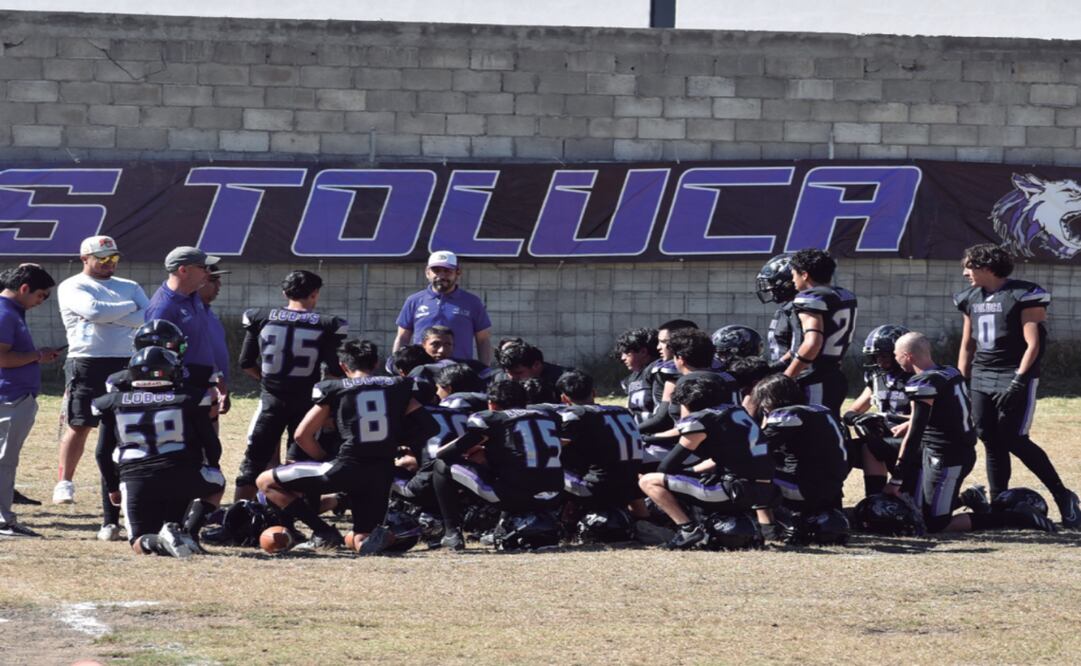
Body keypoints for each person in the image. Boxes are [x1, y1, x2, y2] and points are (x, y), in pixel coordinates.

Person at [256, 339, 437, 554]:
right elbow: (429, 427)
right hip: (381, 473)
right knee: (361, 539)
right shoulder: (399, 386)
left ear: (343, 366)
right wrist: (394, 441)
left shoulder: (335, 388)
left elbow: (302, 435)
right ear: (376, 363)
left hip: (347, 466)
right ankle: (392, 536)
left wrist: (324, 458)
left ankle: (322, 531)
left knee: (265, 481)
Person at [954, 243, 1080, 528]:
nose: (965, 273)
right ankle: (999, 503)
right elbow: (967, 343)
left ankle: (1063, 496)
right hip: (981, 375)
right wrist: (962, 381)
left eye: (969, 266)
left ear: (987, 267)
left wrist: (1019, 381)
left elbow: (1034, 344)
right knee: (989, 437)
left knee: (1014, 438)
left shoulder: (1023, 294)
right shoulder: (969, 297)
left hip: (1012, 373)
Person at [885, 332, 1056, 534]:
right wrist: (907, 423)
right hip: (953, 450)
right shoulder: (949, 372)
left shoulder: (922, 383)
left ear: (907, 356)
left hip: (946, 457)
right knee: (922, 512)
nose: (895, 360)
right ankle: (969, 498)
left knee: (935, 524)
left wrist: (896, 477)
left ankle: (1017, 517)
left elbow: (915, 433)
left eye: (896, 355)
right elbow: (944, 413)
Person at [92, 346, 226, 557]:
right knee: (217, 482)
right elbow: (210, 443)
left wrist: (112, 486)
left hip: (136, 479)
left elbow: (102, 452)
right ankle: (187, 533)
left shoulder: (112, 403)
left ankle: (159, 542)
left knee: (138, 542)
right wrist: (209, 467)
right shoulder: (188, 398)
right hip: (181, 475)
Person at [235, 270, 347, 501]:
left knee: (253, 462)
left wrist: (268, 382)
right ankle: (295, 516)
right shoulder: (326, 324)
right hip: (306, 400)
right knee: (300, 464)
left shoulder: (260, 316)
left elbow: (245, 363)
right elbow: (335, 370)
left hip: (272, 400)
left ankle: (235, 517)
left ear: (284, 292)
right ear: (315, 294)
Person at [53, 235, 149, 505]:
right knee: (80, 423)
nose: (110, 263)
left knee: (125, 425)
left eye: (114, 258)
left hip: (125, 361)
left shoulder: (129, 285)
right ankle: (64, 481)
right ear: (85, 259)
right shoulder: (73, 285)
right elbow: (93, 312)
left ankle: (123, 482)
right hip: (87, 359)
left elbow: (148, 315)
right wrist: (129, 310)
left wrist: (114, 315)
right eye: (103, 258)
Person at [638, 375, 775, 549]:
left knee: (649, 480)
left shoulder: (700, 419)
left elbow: (667, 466)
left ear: (687, 403)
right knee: (697, 472)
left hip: (734, 491)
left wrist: (687, 474)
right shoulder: (736, 412)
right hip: (764, 492)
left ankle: (688, 529)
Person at [431, 380, 564, 551]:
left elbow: (445, 454)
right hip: (554, 496)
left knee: (441, 466)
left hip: (514, 497)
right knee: (516, 468)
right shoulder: (548, 415)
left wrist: (477, 447)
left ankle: (451, 533)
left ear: (491, 404)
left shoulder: (492, 419)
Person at [0, 265, 61, 538]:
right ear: (24, 289)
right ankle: (3, 520)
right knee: (4, 461)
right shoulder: (4, 313)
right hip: (10, 397)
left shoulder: (12, 312)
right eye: (41, 296)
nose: (41, 302)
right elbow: (1, 358)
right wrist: (36, 355)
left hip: (12, 396)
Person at [751, 374, 848, 536]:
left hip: (805, 489)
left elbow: (755, 450)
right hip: (833, 488)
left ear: (770, 399)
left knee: (750, 472)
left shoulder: (787, 415)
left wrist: (765, 421)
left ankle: (767, 527)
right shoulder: (821, 410)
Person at [783, 248, 858, 418]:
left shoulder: (809, 298)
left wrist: (787, 378)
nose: (792, 279)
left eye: (794, 274)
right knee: (830, 428)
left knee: (814, 434)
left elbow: (813, 343)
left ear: (804, 274)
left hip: (813, 378)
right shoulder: (844, 295)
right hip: (834, 375)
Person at [842, 324, 913, 497]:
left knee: (918, 505)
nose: (880, 360)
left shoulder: (915, 378)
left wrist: (886, 418)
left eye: (885, 355)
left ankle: (967, 498)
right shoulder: (876, 378)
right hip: (883, 441)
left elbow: (920, 418)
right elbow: (853, 410)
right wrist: (858, 419)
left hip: (910, 442)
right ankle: (874, 497)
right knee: (845, 449)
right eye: (877, 355)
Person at [393, 250, 492, 365]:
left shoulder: (472, 302)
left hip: (459, 372)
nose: (441, 276)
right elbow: (402, 337)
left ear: (458, 272)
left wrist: (485, 370)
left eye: (447, 271)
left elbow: (483, 340)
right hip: (421, 370)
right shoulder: (414, 301)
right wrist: (396, 365)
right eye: (436, 271)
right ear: (427, 273)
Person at [144, 246, 222, 389]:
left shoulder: (194, 296)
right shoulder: (162, 307)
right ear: (183, 270)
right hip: (182, 385)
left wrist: (217, 374)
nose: (208, 272)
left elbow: (202, 340)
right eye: (204, 268)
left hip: (203, 379)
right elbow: (156, 357)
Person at [198, 262, 232, 426]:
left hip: (211, 391)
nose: (219, 285)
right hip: (196, 394)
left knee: (210, 446)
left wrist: (222, 386)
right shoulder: (189, 312)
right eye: (213, 280)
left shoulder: (207, 311)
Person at [754, 253, 797, 372]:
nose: (769, 288)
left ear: (788, 283)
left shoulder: (798, 309)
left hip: (795, 374)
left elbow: (800, 347)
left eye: (773, 283)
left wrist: (776, 369)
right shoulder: (786, 309)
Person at [614, 328, 659, 426]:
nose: (623, 358)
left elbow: (662, 415)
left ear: (643, 351)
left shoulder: (658, 371)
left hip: (657, 433)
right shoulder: (632, 378)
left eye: (626, 353)